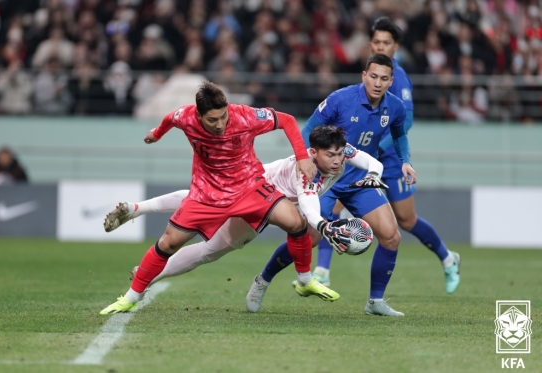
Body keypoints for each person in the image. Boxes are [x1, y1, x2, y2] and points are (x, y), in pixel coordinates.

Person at [100, 81, 336, 314]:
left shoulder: (244, 116)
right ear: (199, 116)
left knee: (296, 222)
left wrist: (301, 157)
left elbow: (286, 120)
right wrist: (157, 133)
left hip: (248, 188)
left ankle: (304, 281)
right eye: (212, 120)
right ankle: (132, 296)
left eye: (223, 116)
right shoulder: (186, 116)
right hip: (207, 193)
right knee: (168, 243)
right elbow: (171, 118)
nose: (220, 124)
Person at [103, 126, 387, 310]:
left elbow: (371, 161)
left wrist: (375, 175)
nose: (338, 161)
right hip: (259, 201)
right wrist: (325, 226)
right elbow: (309, 207)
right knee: (208, 251)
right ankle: (151, 274)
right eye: (331, 156)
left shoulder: (340, 152)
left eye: (340, 155)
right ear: (312, 153)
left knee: (198, 196)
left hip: (249, 180)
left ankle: (137, 209)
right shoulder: (308, 172)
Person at [247, 54, 416, 316]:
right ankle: (263, 281)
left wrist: (405, 161)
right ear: (364, 75)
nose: (378, 83)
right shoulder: (340, 99)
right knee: (308, 238)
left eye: (384, 78)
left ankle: (375, 302)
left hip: (359, 181)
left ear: (391, 81)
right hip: (325, 179)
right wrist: (305, 162)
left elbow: (399, 134)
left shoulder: (394, 107)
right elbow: (307, 131)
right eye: (373, 76)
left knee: (392, 236)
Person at [313, 17, 460, 295]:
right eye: (377, 42)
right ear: (371, 44)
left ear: (396, 46)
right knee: (331, 207)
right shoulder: (369, 75)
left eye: (387, 42)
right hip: (361, 159)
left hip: (388, 159)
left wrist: (376, 150)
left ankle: (448, 258)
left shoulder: (399, 78)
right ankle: (323, 270)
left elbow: (405, 123)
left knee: (406, 220)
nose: (381, 46)